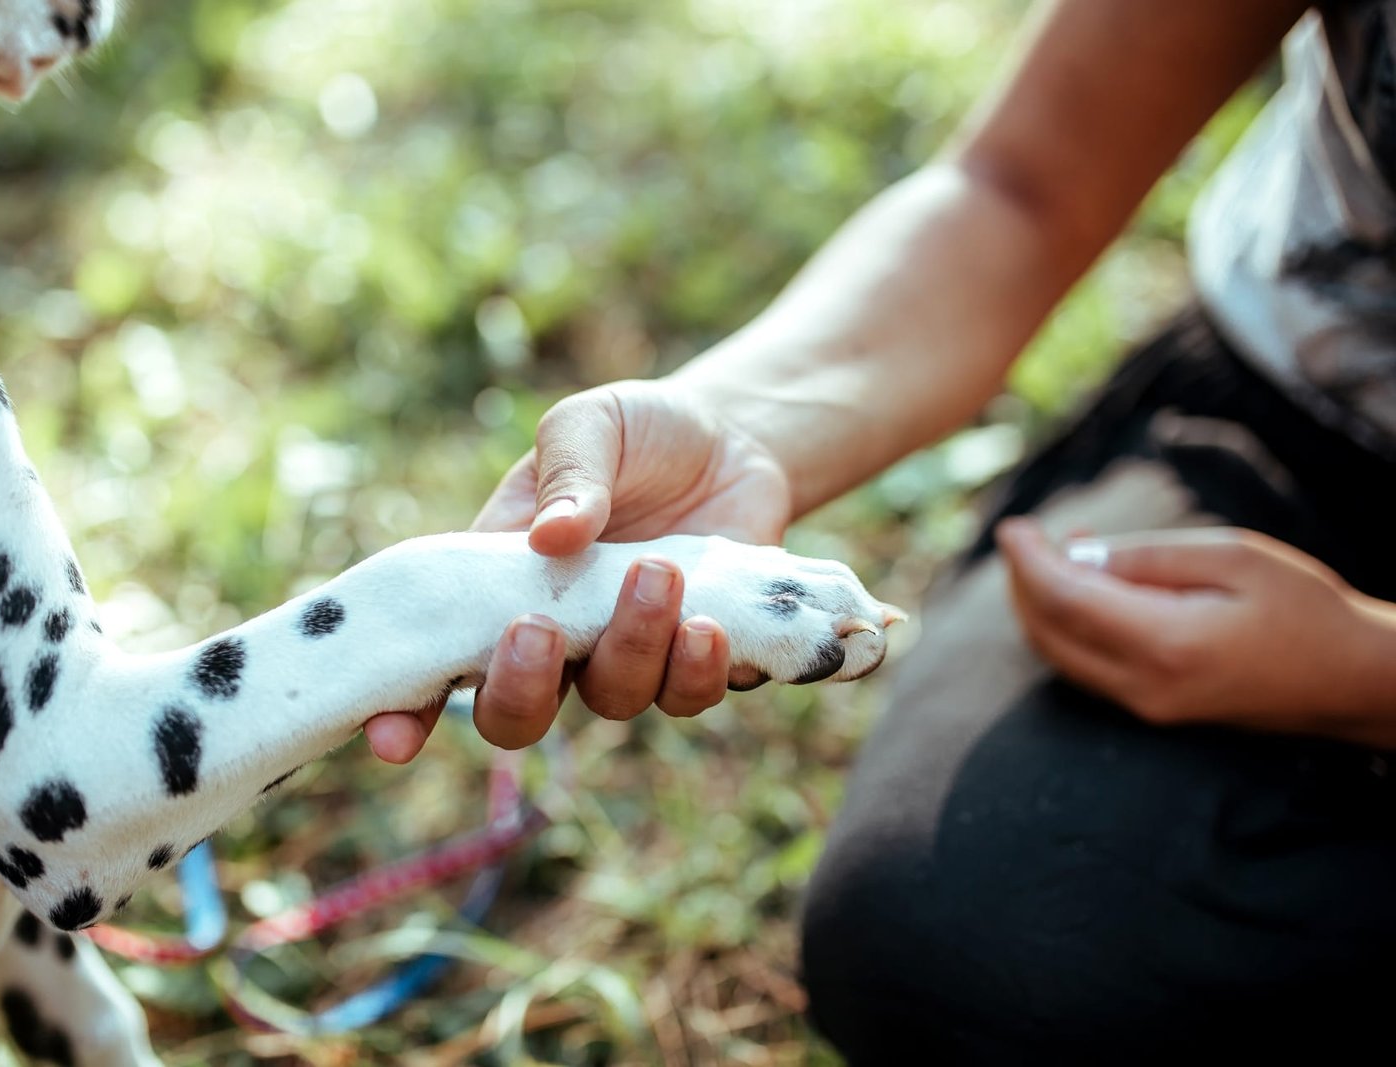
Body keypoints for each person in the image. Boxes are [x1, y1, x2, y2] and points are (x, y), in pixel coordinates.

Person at [366, 0, 1396, 1059]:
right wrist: (739, 429)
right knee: (973, 939)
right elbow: (1021, 186)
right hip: (1301, 423)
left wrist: (1364, 675)